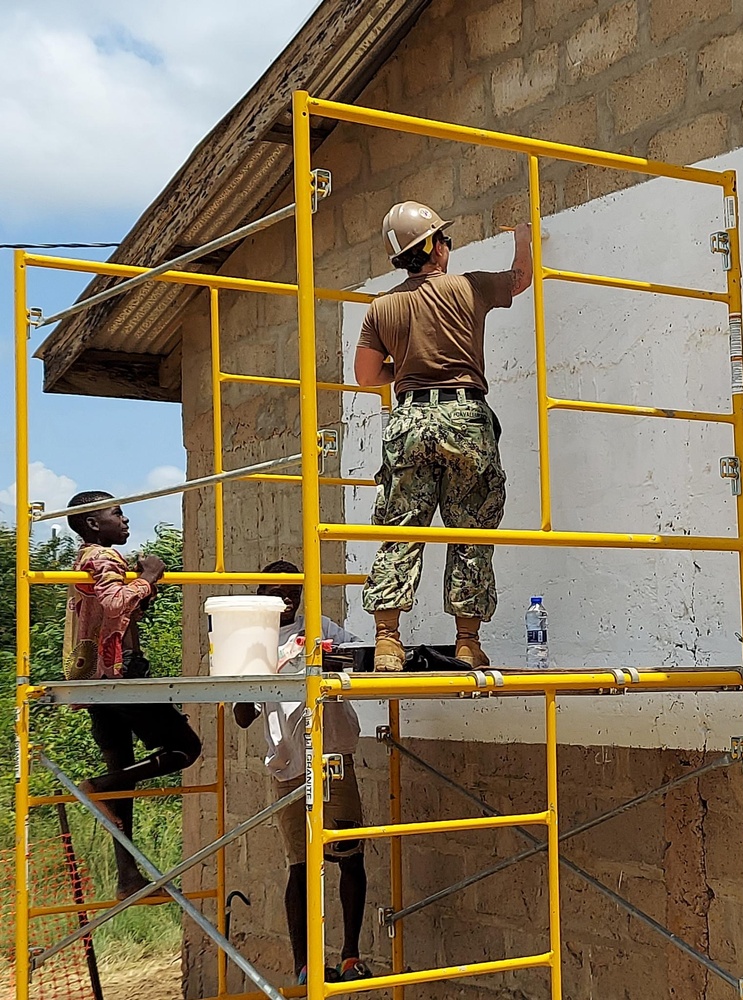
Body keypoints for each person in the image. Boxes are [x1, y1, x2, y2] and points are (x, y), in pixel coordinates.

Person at [354, 201, 532, 671]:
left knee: (400, 529)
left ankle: (388, 642)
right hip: (465, 418)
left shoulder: (383, 307)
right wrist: (525, 236)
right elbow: (520, 278)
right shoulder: (470, 287)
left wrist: (408, 366)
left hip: (409, 421)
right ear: (434, 247)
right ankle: (468, 643)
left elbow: (367, 376)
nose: (449, 246)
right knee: (470, 529)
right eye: (444, 239)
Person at [233, 560, 372, 986]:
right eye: (277, 591)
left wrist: (329, 658)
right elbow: (241, 716)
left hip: (333, 755)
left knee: (349, 853)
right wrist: (250, 673)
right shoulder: (253, 642)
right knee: (300, 864)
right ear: (262, 597)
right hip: (288, 764)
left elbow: (363, 659)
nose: (288, 597)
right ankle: (305, 965)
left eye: (294, 589)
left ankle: (350, 954)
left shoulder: (321, 626)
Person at [63, 491, 202, 900]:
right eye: (116, 513)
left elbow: (120, 609)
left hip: (94, 677)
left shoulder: (87, 558)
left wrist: (142, 588)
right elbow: (114, 601)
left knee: (123, 774)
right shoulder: (102, 559)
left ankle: (127, 877)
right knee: (185, 748)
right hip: (119, 672)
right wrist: (150, 576)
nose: (124, 520)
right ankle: (102, 786)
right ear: (92, 523)